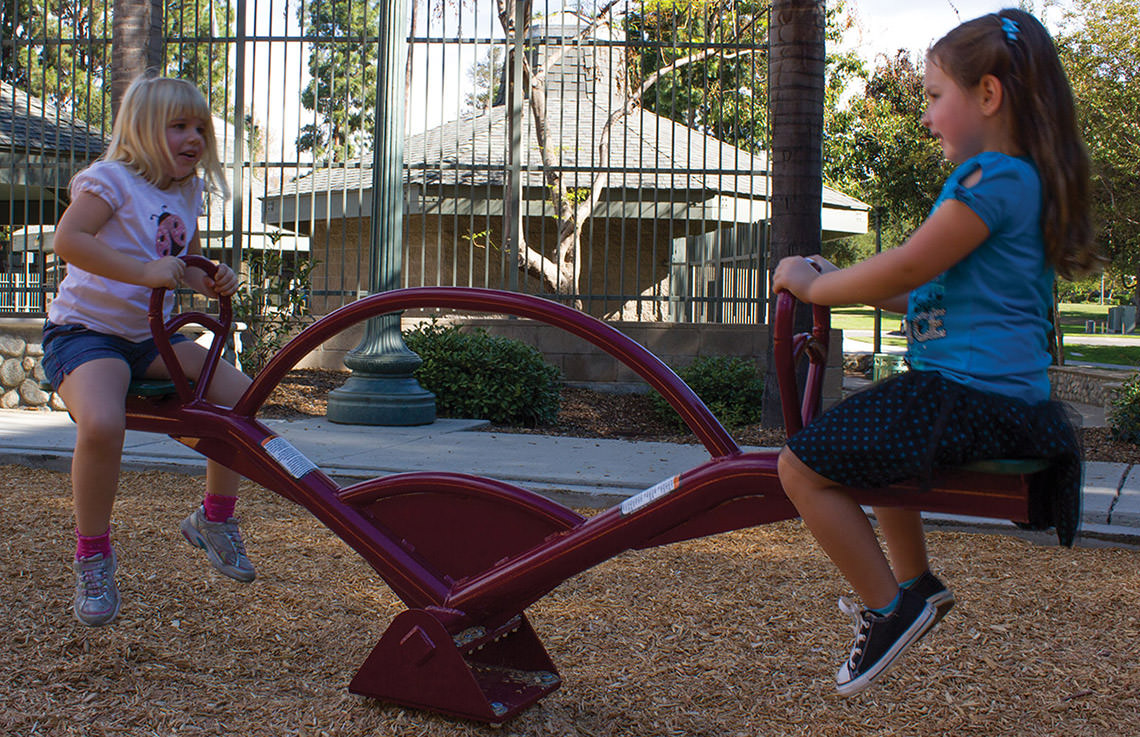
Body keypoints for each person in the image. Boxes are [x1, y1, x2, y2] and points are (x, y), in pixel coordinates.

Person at [772, 9, 1102, 697]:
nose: (925, 118)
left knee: (799, 467)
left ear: (987, 95)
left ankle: (890, 605)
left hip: (970, 396)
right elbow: (922, 295)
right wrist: (838, 283)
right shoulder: (1018, 185)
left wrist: (814, 285)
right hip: (993, 398)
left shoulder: (993, 180)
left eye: (932, 96)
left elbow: (903, 269)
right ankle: (916, 581)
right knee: (880, 439)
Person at [43, 75, 256, 627]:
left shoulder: (187, 191)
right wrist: (143, 270)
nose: (194, 138)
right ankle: (93, 553)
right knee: (103, 424)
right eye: (179, 126)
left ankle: (214, 519)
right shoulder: (108, 181)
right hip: (85, 334)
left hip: (149, 337)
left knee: (240, 401)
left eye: (200, 128)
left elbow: (178, 263)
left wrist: (209, 279)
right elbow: (69, 240)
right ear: (142, 130)